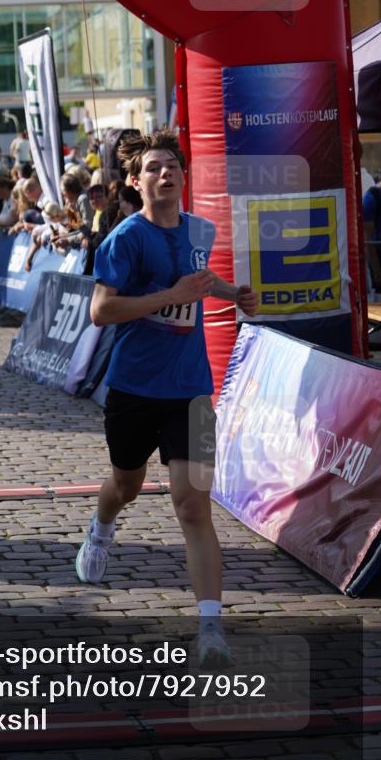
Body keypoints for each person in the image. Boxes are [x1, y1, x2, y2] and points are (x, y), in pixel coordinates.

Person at [75, 129, 259, 668]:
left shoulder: (201, 228)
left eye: (173, 165)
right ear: (136, 181)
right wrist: (169, 298)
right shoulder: (124, 239)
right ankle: (101, 527)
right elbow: (101, 312)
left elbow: (197, 278)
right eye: (154, 167)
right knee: (126, 485)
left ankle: (210, 629)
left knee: (192, 504)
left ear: (184, 177)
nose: (165, 173)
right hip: (134, 387)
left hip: (195, 390)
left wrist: (230, 293)